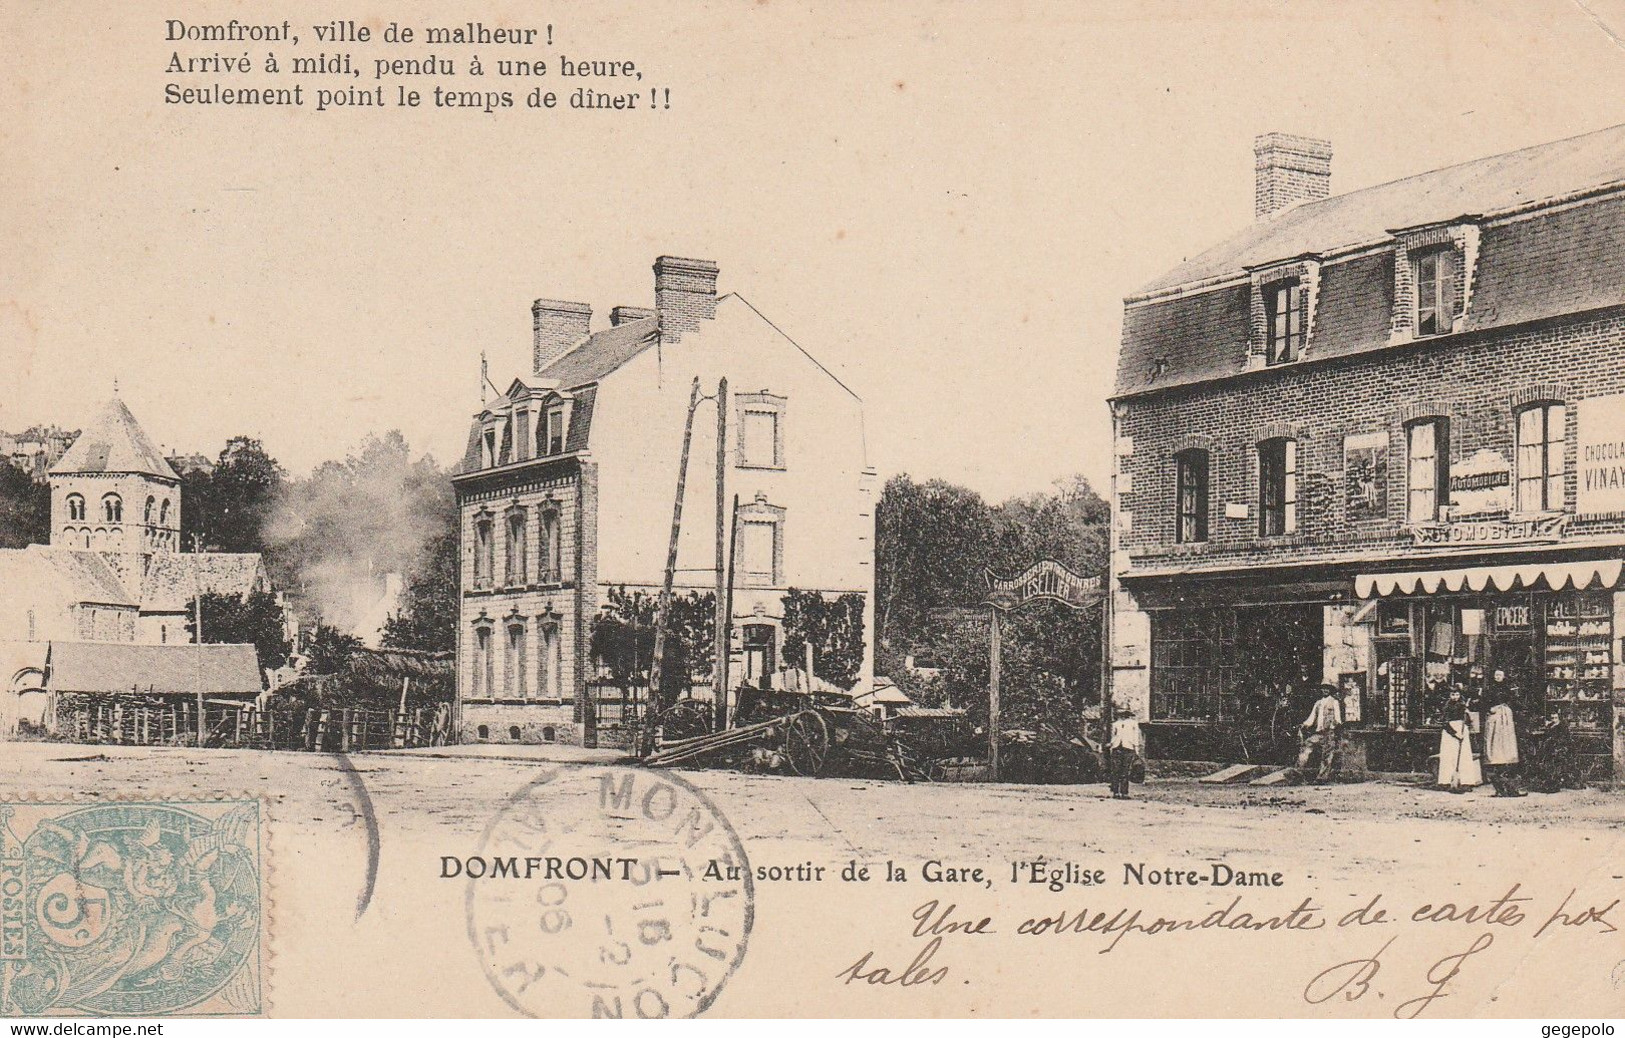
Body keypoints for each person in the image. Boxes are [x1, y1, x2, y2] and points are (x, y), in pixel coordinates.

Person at [1435, 690, 1483, 792]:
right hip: (1450, 734)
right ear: (1449, 695)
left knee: (1463, 757)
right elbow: (1444, 722)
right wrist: (1455, 733)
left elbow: (1469, 722)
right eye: (1453, 694)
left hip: (1462, 731)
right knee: (1448, 757)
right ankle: (1446, 782)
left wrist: (1467, 716)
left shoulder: (1463, 706)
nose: (1455, 697)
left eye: (1457, 694)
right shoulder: (1446, 706)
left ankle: (1466, 782)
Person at [1483, 691, 1526, 797]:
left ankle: (1508, 788)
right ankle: (1501, 788)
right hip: (1496, 748)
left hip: (1506, 747)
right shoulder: (1493, 713)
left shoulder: (1507, 711)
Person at [1297, 684, 1343, 783]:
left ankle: (1322, 778)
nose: (1325, 690)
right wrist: (1305, 724)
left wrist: (1332, 726)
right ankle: (1299, 771)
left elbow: (1338, 719)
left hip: (1329, 733)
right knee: (1307, 745)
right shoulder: (1318, 703)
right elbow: (1312, 717)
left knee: (1327, 755)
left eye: (1327, 688)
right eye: (1323, 688)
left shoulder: (1334, 702)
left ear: (1330, 690)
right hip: (1319, 733)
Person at [1108, 707, 1143, 800]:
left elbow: (1136, 736)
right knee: (1115, 770)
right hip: (1117, 747)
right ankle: (1115, 792)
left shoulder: (1133, 724)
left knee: (1125, 771)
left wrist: (1136, 748)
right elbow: (1113, 736)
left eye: (1124, 713)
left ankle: (1124, 792)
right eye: (1121, 714)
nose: (1122, 715)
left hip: (1128, 747)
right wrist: (1111, 745)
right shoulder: (1115, 724)